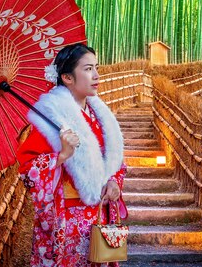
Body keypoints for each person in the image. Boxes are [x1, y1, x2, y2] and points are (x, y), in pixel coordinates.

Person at [17, 43, 127, 267]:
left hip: (99, 217)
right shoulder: (51, 120)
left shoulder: (100, 115)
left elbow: (116, 163)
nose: (96, 75)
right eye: (87, 69)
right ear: (67, 77)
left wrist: (114, 182)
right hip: (66, 222)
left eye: (96, 68)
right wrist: (62, 156)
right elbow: (28, 170)